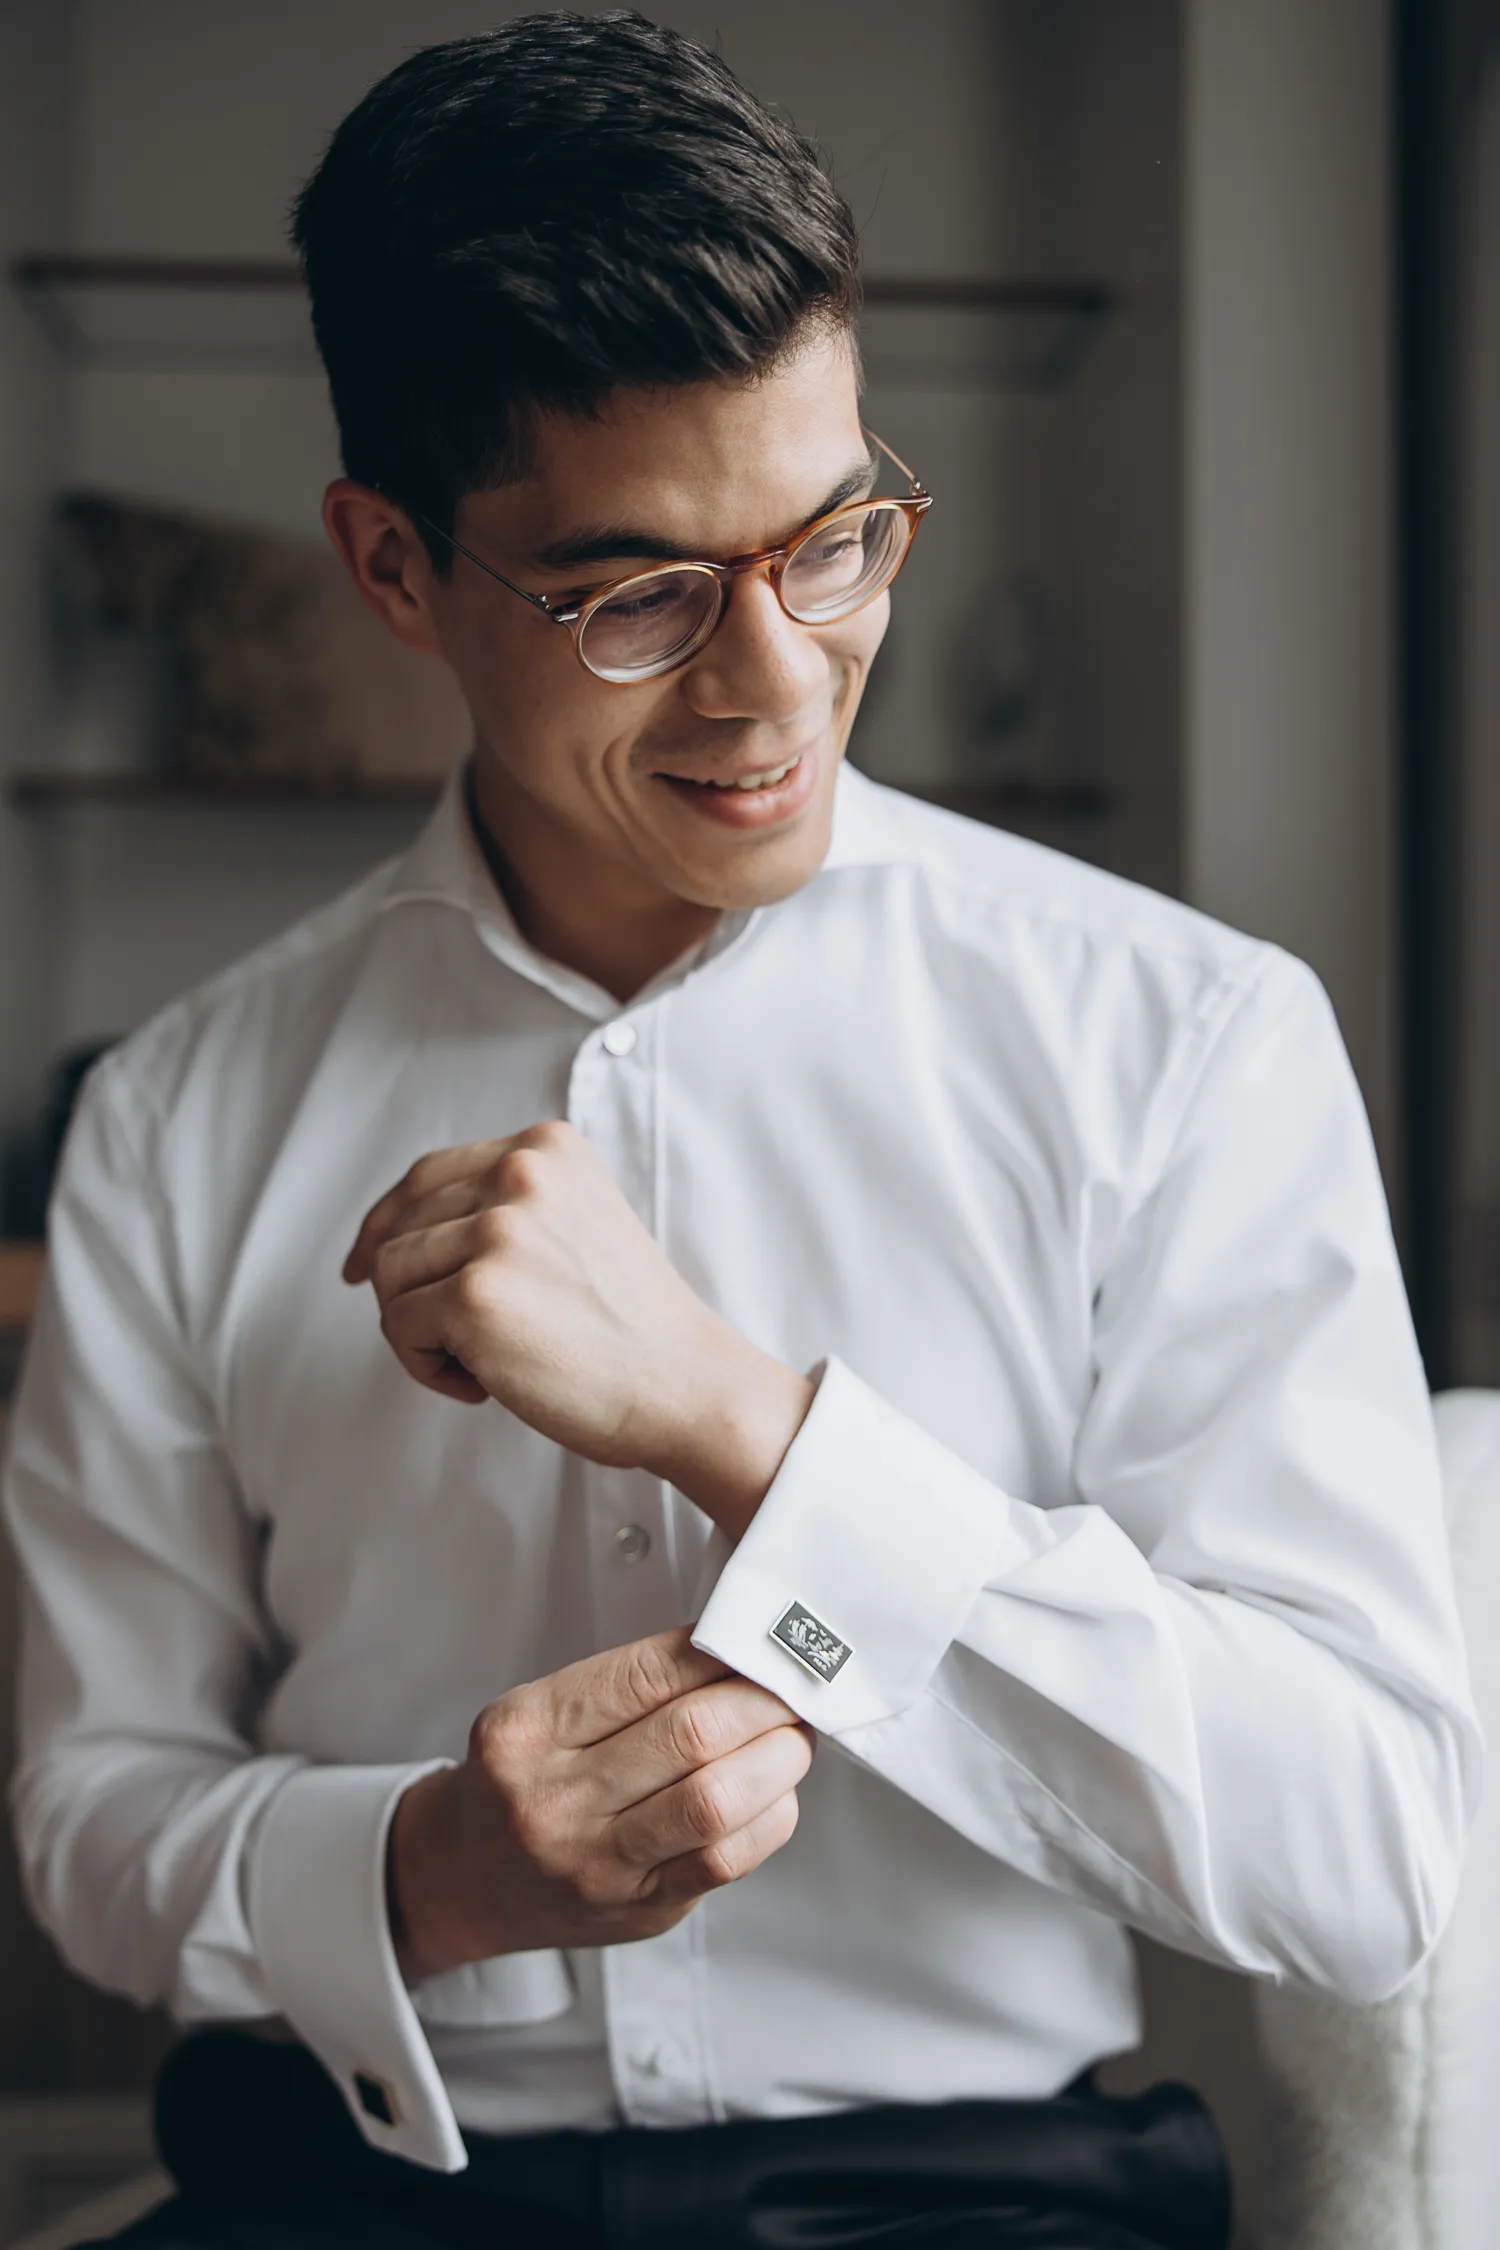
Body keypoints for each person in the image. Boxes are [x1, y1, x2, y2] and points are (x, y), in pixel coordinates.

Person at [3, 12, 1481, 2248]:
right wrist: (432, 1876)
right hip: (362, 2195)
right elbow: (93, 1815)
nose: (777, 679)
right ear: (394, 570)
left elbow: (1366, 1852)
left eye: (834, 539)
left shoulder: (1184, 1045)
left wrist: (748, 1429)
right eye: (639, 594)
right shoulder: (182, 1118)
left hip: (986, 2198)